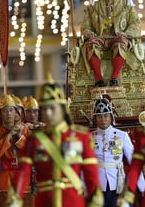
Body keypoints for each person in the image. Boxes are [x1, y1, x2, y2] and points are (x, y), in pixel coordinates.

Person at [10, 79, 103, 207]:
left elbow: (91, 173)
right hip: (44, 202)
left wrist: (95, 198)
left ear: (62, 108)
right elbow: (23, 171)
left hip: (72, 202)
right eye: (44, 109)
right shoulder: (35, 140)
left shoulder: (81, 136)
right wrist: (15, 197)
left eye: (52, 108)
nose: (48, 113)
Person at [81, 0, 142, 87]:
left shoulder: (126, 4)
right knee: (91, 44)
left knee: (120, 43)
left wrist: (126, 33)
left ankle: (114, 79)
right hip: (100, 38)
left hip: (118, 37)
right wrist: (88, 33)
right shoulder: (93, 7)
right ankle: (99, 80)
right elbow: (85, 27)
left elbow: (135, 23)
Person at [91, 94, 145, 207]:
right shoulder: (89, 138)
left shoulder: (122, 136)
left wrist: (142, 186)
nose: (103, 119)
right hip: (96, 183)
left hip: (117, 183)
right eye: (99, 116)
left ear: (111, 117)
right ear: (95, 118)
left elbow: (134, 160)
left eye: (106, 115)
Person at [0, 94, 30, 207]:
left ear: (16, 112)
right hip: (6, 177)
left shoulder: (25, 129)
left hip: (24, 176)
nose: (8, 113)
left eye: (11, 110)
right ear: (0, 114)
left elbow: (30, 151)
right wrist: (8, 137)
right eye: (4, 111)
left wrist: (20, 136)